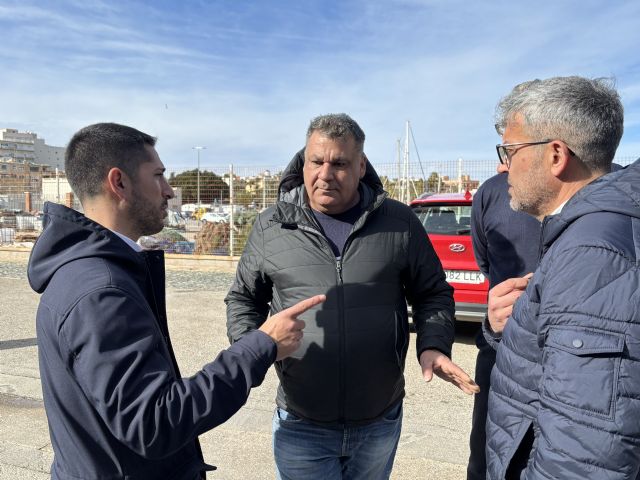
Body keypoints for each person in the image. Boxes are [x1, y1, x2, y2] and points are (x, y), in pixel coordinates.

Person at [27, 122, 325, 480]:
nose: (169, 190)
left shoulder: (87, 271)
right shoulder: (101, 292)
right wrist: (262, 345)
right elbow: (155, 421)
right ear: (119, 183)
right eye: (158, 176)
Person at [225, 113, 479, 480]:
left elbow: (433, 292)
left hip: (378, 421)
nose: (325, 174)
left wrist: (434, 345)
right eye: (316, 161)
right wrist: (252, 350)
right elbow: (244, 299)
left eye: (340, 164)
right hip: (301, 421)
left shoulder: (400, 222)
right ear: (303, 162)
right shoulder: (272, 225)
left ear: (361, 166)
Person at [484, 77, 640, 479]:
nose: (502, 166)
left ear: (556, 155)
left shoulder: (592, 254)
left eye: (510, 150)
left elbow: (586, 453)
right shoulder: (592, 232)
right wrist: (514, 327)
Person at [466, 172, 541, 480]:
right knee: (488, 461)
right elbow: (485, 262)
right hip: (500, 350)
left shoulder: (615, 189)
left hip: (582, 365)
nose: (506, 162)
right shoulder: (494, 192)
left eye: (511, 150)